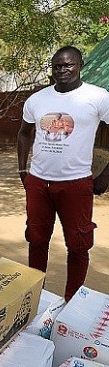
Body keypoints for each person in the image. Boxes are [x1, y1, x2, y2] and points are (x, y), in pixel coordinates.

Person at [17, 46, 109, 301]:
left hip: (76, 184)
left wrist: (104, 176)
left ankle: (72, 299)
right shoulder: (37, 100)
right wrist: (23, 169)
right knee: (36, 240)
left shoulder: (98, 97)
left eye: (68, 65)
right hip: (38, 184)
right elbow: (24, 133)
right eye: (57, 65)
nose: (62, 70)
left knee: (78, 245)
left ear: (81, 65)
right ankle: (34, 296)